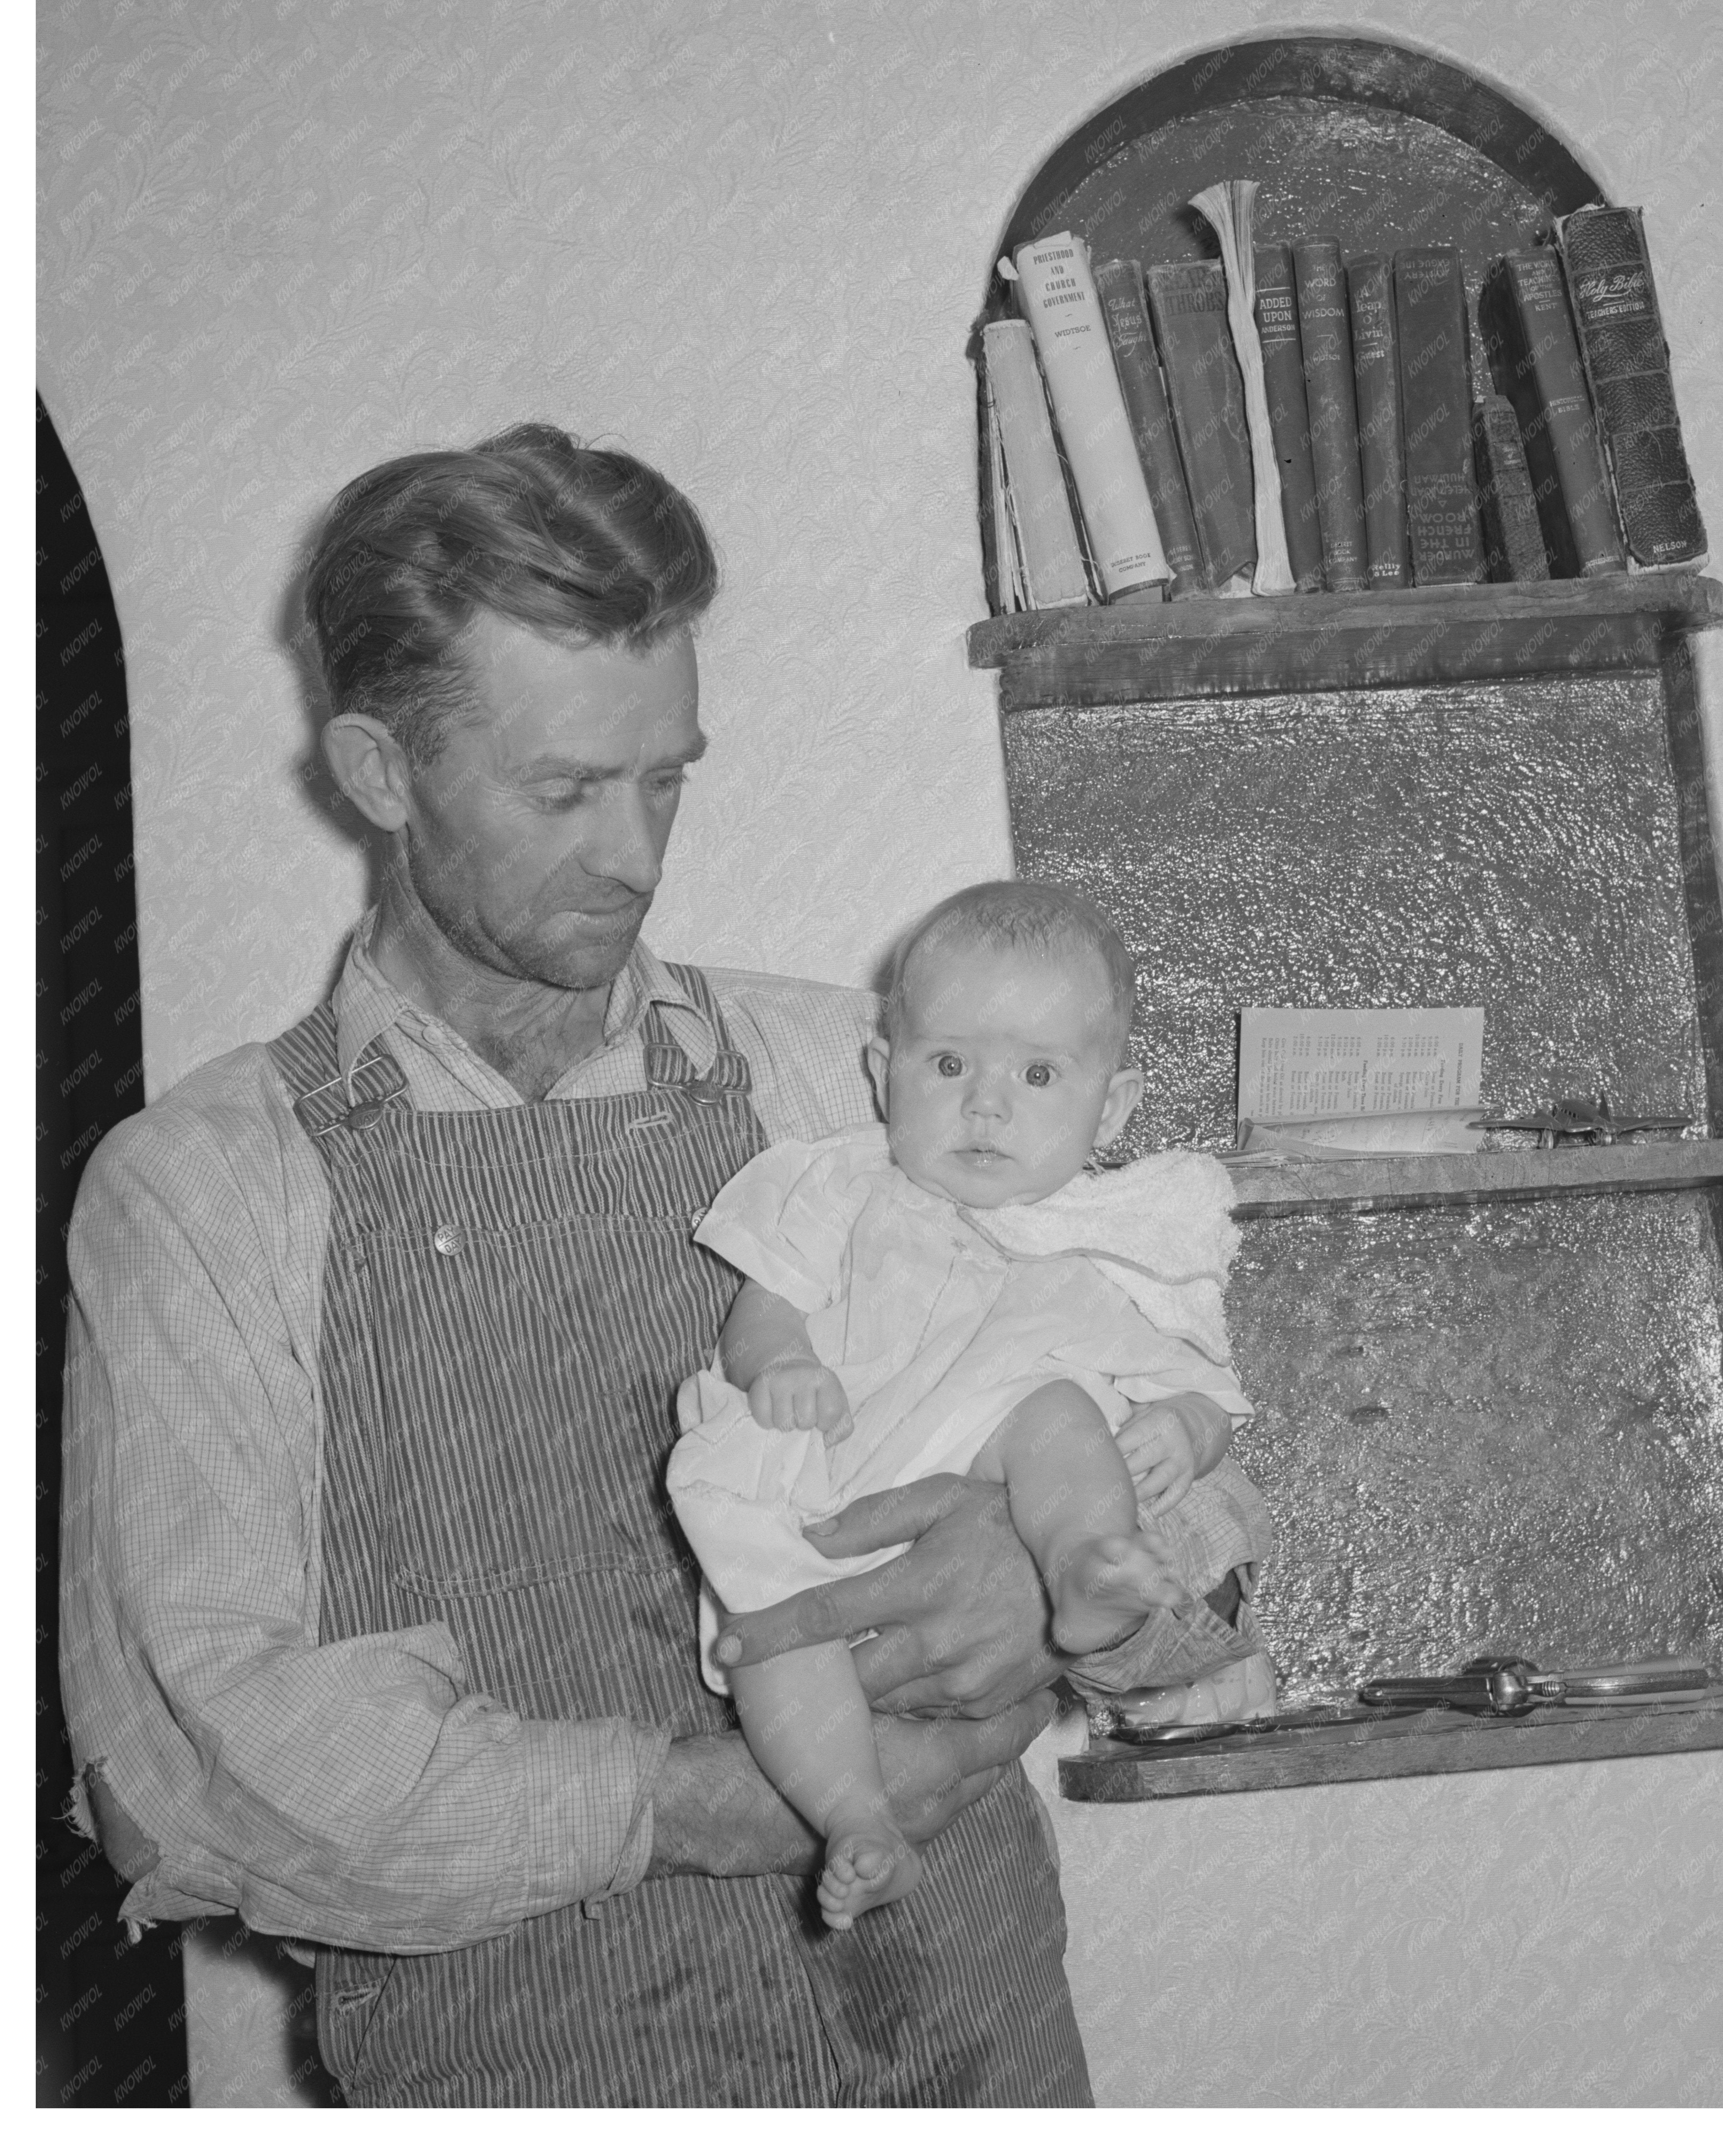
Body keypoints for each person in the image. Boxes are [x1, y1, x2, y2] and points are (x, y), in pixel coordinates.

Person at [56, 425, 1257, 2108]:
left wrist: (1065, 1590)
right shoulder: (202, 1193)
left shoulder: (861, 1078)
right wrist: (690, 1805)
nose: (634, 852)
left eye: (667, 777)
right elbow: (198, 1773)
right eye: (563, 792)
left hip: (969, 2047)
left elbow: (1203, 1461)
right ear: (381, 772)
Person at [668, 880, 1274, 1928]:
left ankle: (1081, 1571)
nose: (986, 1106)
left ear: (1110, 1108)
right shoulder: (837, 1182)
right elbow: (763, 1314)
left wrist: (1183, 1429)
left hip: (986, 1442)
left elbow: (1203, 1398)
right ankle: (857, 1819)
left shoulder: (1114, 1241)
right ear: (882, 1072)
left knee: (1055, 1416)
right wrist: (780, 1364)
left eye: (1037, 1075)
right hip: (829, 1464)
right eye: (949, 1066)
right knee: (770, 1627)